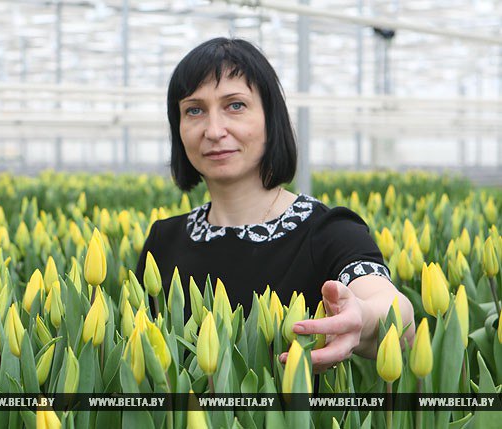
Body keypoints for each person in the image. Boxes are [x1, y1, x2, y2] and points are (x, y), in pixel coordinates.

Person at [135, 37, 415, 373]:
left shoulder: (328, 232)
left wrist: (365, 318)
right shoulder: (163, 240)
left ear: (272, 118)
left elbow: (392, 308)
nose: (213, 129)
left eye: (235, 105)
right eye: (194, 110)